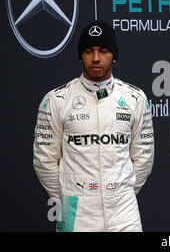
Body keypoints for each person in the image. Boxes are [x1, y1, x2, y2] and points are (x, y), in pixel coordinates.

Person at [33, 20, 154, 232]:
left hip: (124, 211)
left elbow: (143, 156)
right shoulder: (57, 99)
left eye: (104, 51)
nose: (96, 58)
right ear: (80, 55)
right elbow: (44, 160)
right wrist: (67, 196)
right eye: (89, 51)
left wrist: (119, 191)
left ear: (114, 56)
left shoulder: (136, 98)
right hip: (76, 211)